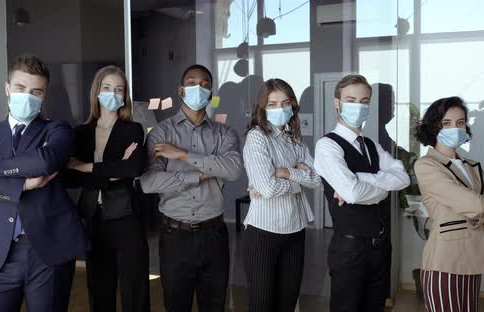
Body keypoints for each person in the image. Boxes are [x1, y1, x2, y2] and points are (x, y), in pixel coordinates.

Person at [0, 54, 86, 311]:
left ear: (44, 95)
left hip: (48, 252)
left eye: (36, 91)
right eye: (20, 88)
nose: (28, 95)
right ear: (7, 88)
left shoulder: (58, 130)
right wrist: (23, 185)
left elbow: (46, 161)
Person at [140, 64, 243, 311]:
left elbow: (233, 169)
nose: (199, 88)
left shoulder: (224, 133)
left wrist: (182, 154)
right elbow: (148, 183)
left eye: (205, 84)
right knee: (176, 305)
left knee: (214, 305)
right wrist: (199, 174)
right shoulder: (160, 133)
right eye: (192, 83)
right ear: (181, 90)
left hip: (214, 235)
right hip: (175, 237)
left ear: (211, 92)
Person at [313, 74, 410, 312]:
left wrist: (361, 179)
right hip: (350, 250)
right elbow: (353, 193)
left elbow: (403, 177)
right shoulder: (327, 146)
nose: (358, 106)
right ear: (337, 102)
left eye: (364, 101)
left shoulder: (372, 145)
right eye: (351, 99)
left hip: (381, 247)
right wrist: (382, 188)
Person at [414, 96, 484, 312]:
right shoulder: (427, 165)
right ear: (433, 127)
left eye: (460, 123)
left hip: (474, 260)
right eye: (447, 123)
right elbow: (477, 205)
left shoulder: (471, 166)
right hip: (444, 263)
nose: (455, 128)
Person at [64, 66, 150, 311]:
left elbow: (132, 170)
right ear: (96, 92)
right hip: (93, 218)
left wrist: (86, 167)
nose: (113, 93)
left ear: (125, 96)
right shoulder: (80, 133)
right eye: (107, 88)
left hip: (126, 217)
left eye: (119, 89)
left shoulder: (132, 129)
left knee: (135, 289)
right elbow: (70, 177)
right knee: (99, 289)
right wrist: (111, 169)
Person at [243, 78, 322, 312]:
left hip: (295, 230)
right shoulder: (257, 137)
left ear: (293, 106)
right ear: (262, 108)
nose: (280, 109)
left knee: (287, 303)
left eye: (285, 103)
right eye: (273, 104)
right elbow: (267, 188)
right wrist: (298, 176)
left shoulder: (295, 139)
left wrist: (286, 172)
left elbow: (318, 180)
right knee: (262, 305)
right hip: (262, 233)